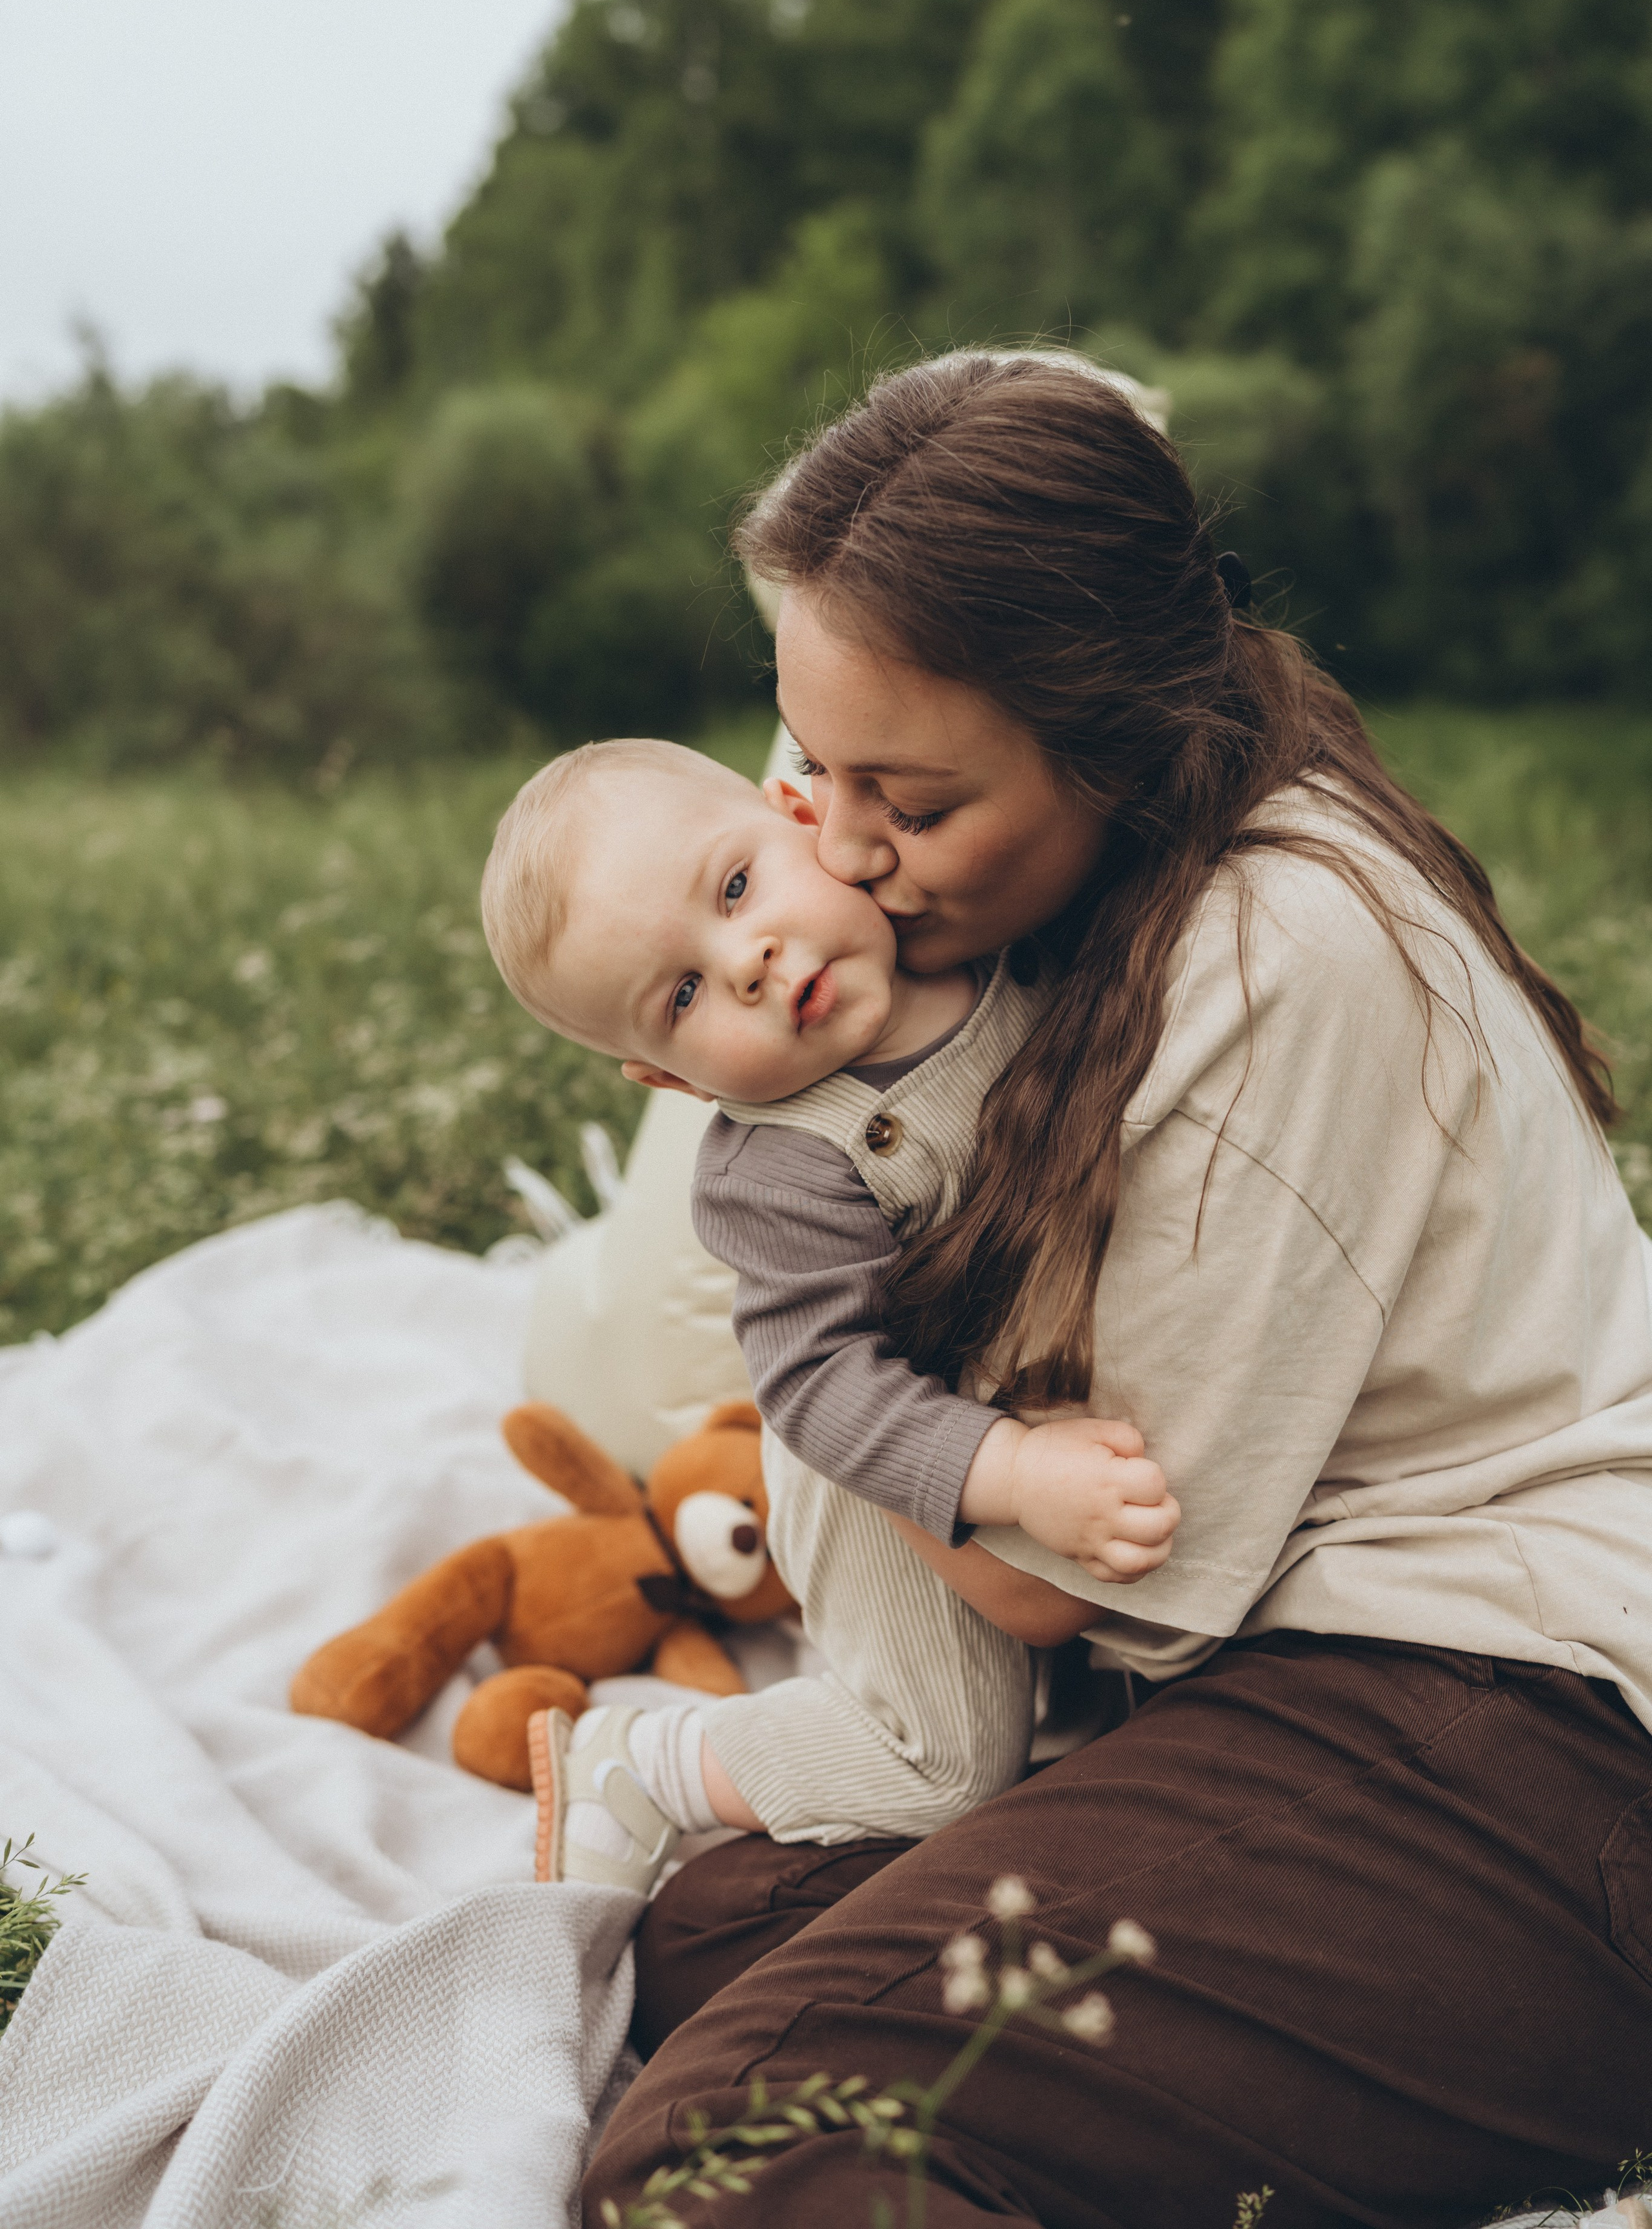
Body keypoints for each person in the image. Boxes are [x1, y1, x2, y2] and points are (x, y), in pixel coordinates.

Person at [584, 347, 1652, 2229]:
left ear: (1107, 727)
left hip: (1530, 1716)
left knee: (726, 2153)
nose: (835, 851)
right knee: (698, 1947)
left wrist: (865, 1412)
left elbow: (1055, 1579)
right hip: (1309, 1669)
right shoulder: (1084, 879)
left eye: (901, 798)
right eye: (806, 769)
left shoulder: (1284, 950)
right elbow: (1072, 406)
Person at [480, 738, 1180, 1888]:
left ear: (802, 814)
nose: (748, 960)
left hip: (1035, 1409)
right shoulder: (777, 1174)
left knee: (1083, 1707)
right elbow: (820, 1388)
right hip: (890, 1482)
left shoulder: (1004, 944)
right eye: (688, 994)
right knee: (946, 1766)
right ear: (671, 1080)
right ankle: (649, 1760)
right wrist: (1010, 1475)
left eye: (737, 887)